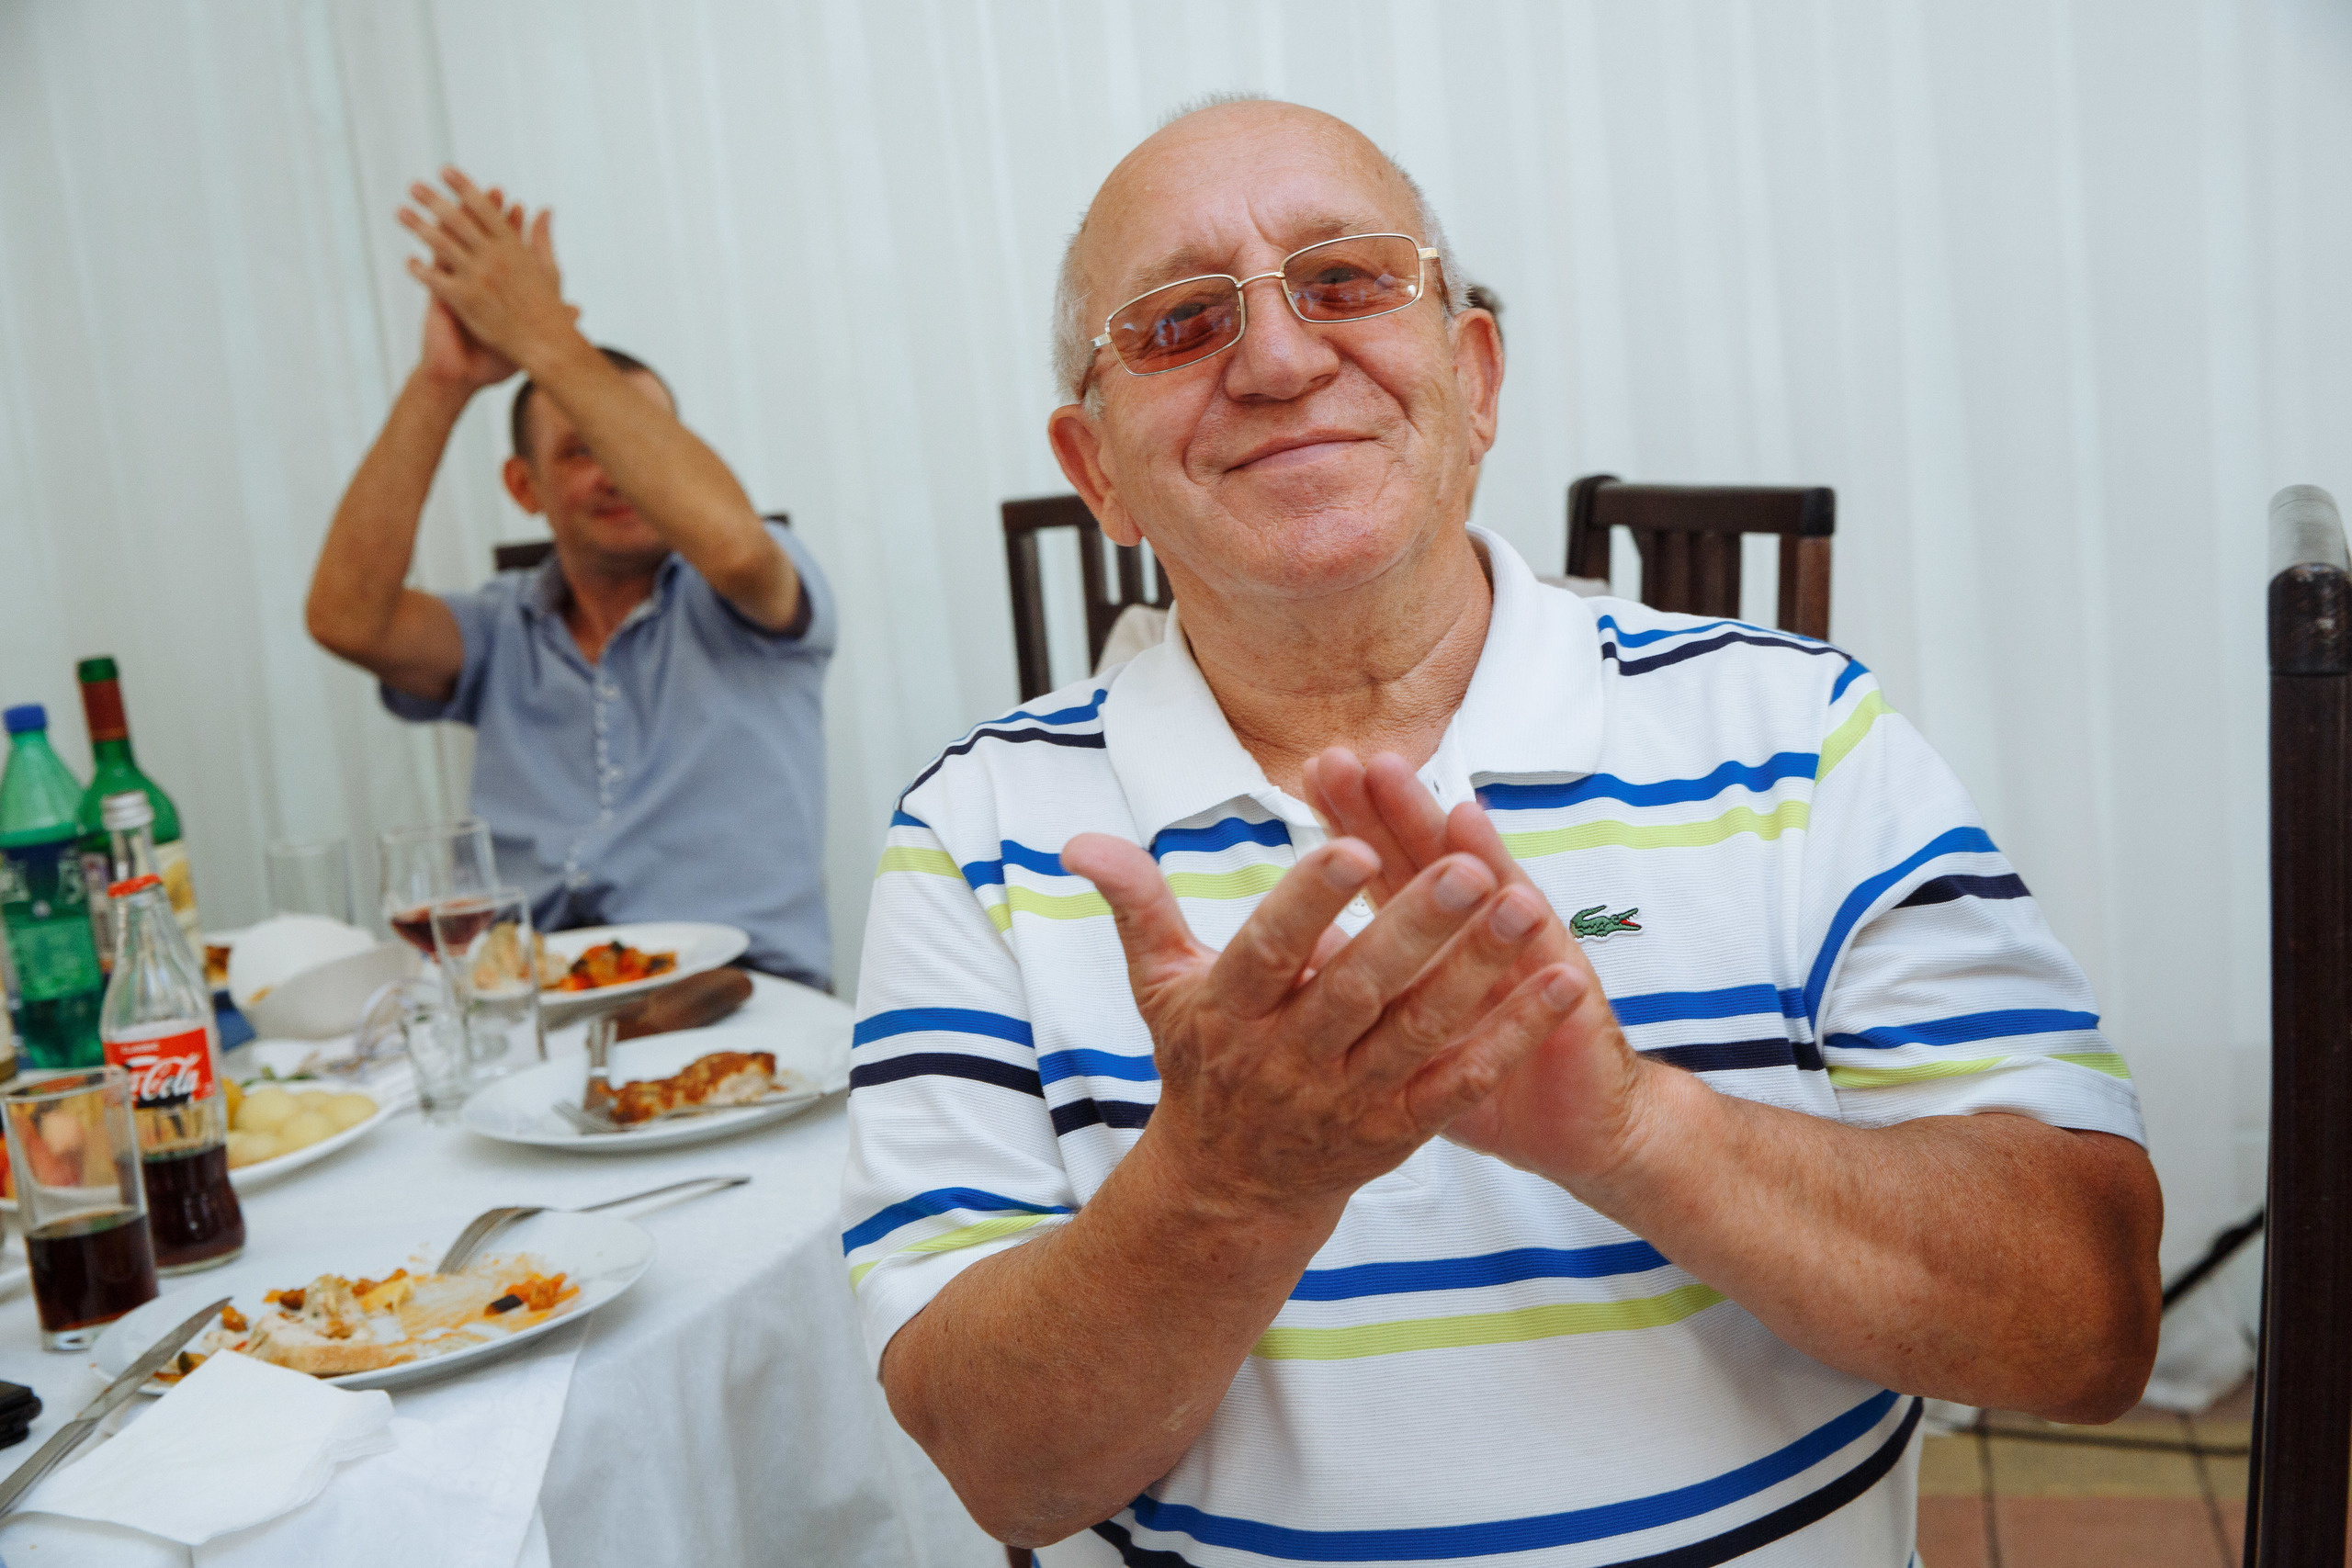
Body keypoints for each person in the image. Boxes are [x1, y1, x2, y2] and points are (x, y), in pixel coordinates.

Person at [842, 100, 2161, 1563]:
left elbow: (2088, 1326)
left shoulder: (1797, 731)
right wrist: (1226, 1182)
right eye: (1176, 323)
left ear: (1475, 377)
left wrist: (1638, 1130)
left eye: (1343, 280)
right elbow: (1003, 1470)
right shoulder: (973, 831)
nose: (1279, 359)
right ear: (1098, 474)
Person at [307, 171, 835, 987]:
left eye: (632, 444)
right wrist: (442, 382)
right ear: (525, 488)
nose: (617, 475)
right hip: (539, 1004)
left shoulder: (754, 589)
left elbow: (731, 547)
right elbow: (346, 617)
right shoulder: (496, 631)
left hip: (743, 993)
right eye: (583, 450)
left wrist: (545, 335)